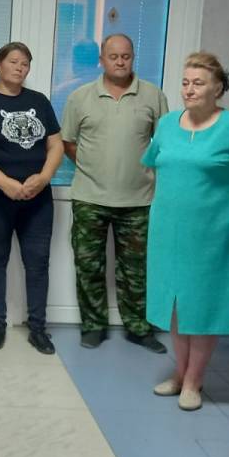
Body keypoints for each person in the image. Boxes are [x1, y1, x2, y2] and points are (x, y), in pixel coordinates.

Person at [144, 51, 229, 411]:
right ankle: (180, 373)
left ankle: (194, 380)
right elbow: (155, 168)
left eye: (198, 83)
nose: (189, 89)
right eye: (185, 82)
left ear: (218, 88)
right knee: (176, 304)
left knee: (204, 305)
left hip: (214, 234)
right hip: (168, 231)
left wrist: (220, 212)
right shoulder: (167, 124)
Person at [62, 33, 169, 352]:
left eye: (126, 56)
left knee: (136, 270)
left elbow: (164, 145)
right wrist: (94, 166)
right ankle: (93, 326)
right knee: (89, 267)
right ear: (101, 60)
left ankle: (139, 328)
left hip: (139, 200)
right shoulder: (80, 97)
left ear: (133, 57)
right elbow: (68, 143)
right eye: (113, 56)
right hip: (90, 198)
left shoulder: (153, 96)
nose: (120, 62)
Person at [0, 42, 63, 354]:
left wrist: (44, 177)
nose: (20, 68)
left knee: (38, 262)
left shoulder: (39, 102)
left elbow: (56, 145)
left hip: (37, 198)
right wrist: (5, 183)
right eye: (14, 61)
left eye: (25, 63)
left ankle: (38, 329)